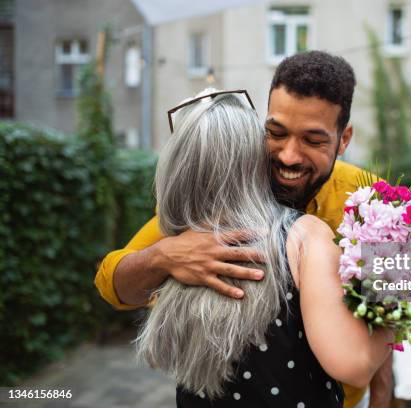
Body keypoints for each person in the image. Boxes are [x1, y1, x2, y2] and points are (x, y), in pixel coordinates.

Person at [95, 51, 411, 407]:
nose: (289, 156)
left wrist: (383, 394)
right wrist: (163, 257)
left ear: (343, 139)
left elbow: (386, 304)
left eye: (313, 140)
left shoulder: (370, 202)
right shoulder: (222, 192)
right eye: (275, 133)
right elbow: (111, 286)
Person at [136, 88, 394, 407]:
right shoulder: (303, 237)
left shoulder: (177, 246)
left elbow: (114, 284)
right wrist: (397, 310)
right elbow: (353, 366)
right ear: (255, 156)